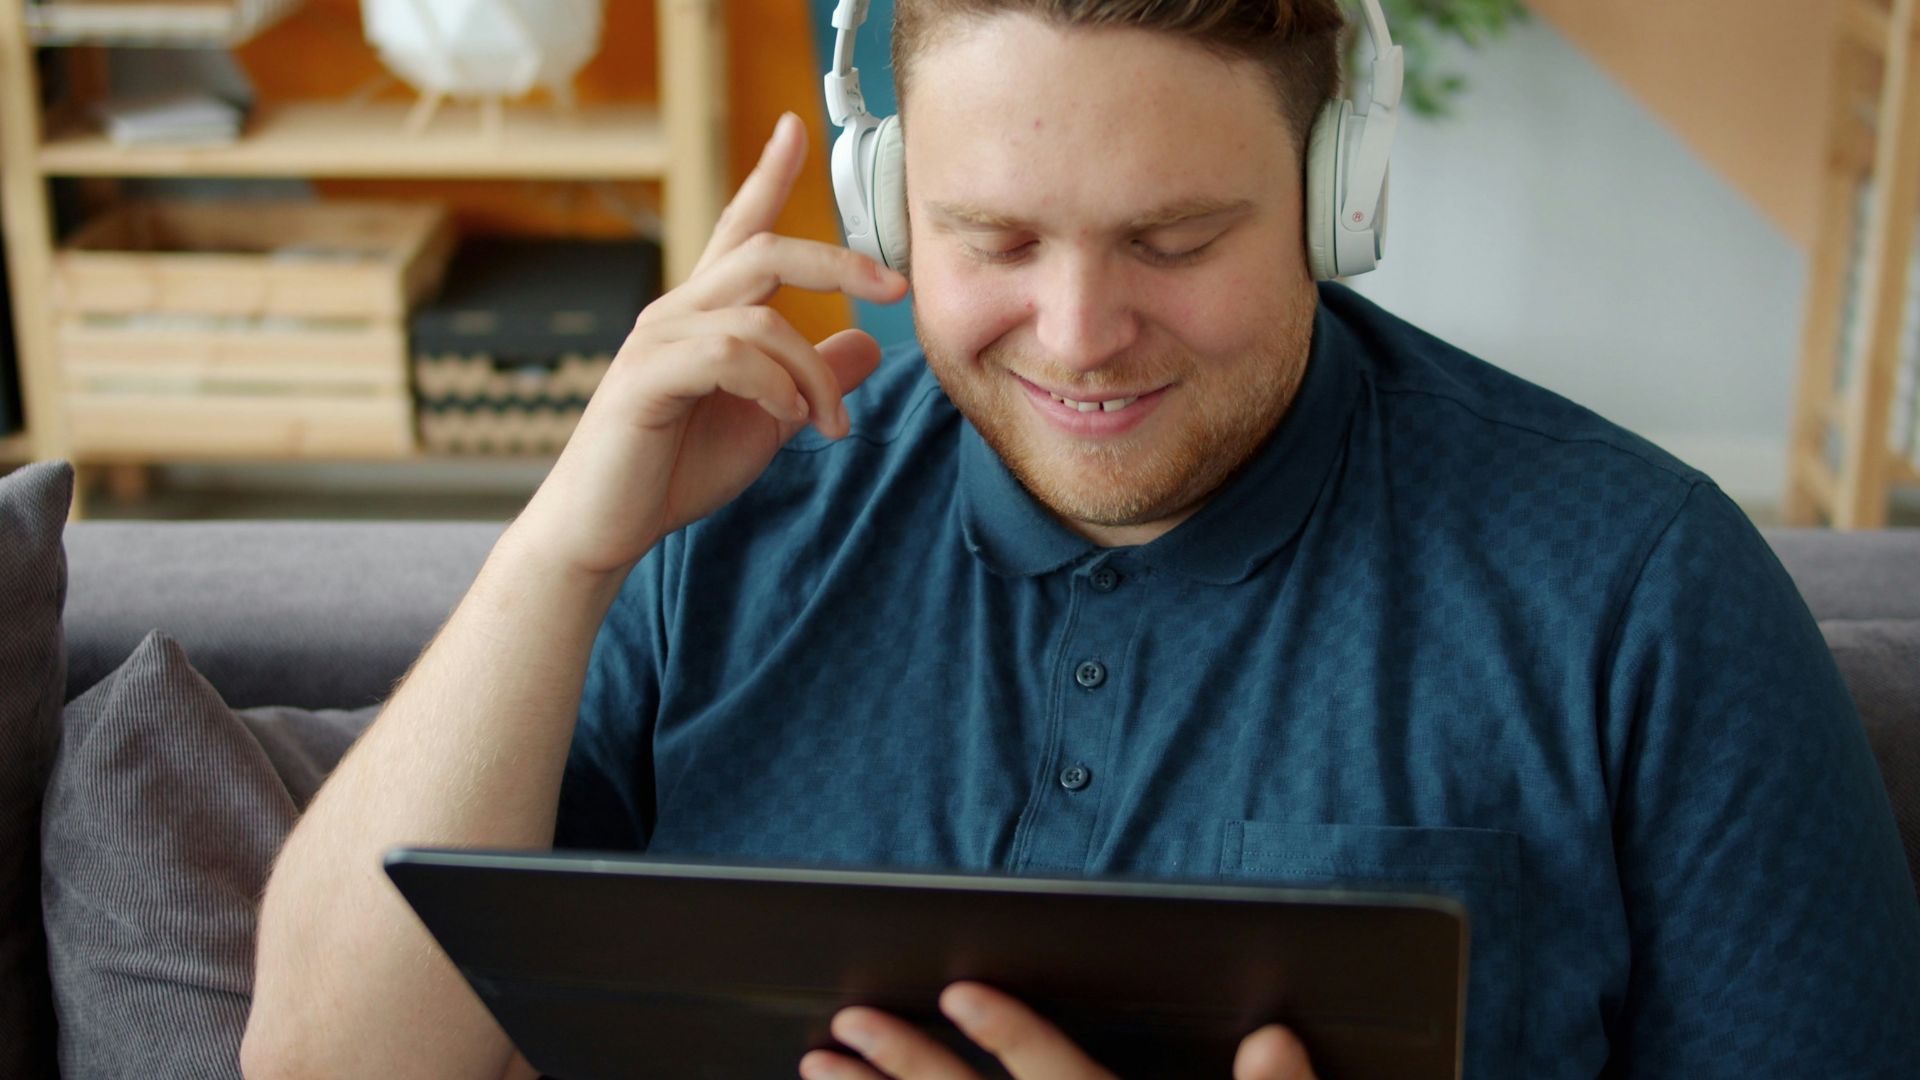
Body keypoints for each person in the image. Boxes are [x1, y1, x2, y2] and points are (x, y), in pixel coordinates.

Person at [242, 1, 1920, 1077]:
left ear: (1346, 191)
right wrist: (558, 551)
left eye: (1176, 237)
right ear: (892, 202)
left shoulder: (1645, 595)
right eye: (994, 237)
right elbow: (323, 1065)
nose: (1078, 330)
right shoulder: (722, 524)